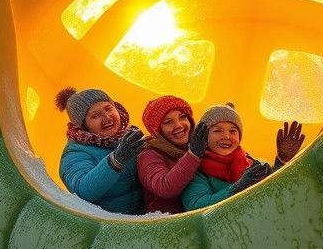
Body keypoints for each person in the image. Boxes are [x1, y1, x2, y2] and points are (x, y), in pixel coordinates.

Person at [55, 86, 144, 214]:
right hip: (113, 223)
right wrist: (115, 161)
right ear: (83, 125)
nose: (107, 117)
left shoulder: (128, 137)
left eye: (108, 109)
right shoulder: (75, 152)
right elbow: (83, 190)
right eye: (95, 116)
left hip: (148, 216)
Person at [180, 103, 272, 211]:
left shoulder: (251, 163)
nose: (227, 136)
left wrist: (281, 162)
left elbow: (274, 194)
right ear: (204, 136)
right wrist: (236, 188)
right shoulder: (195, 170)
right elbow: (196, 205)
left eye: (232, 131)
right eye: (217, 131)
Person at [136, 95, 209, 214]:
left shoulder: (199, 143)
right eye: (168, 122)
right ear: (157, 130)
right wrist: (193, 155)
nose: (179, 125)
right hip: (169, 226)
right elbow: (164, 187)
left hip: (204, 220)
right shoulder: (149, 154)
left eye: (182, 117)